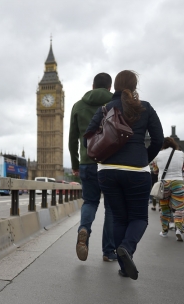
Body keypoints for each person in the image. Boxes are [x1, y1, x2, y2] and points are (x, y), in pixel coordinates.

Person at [85, 70, 164, 280]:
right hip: (137, 170)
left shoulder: (105, 108)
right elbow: (158, 139)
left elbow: (89, 136)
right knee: (138, 217)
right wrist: (143, 157)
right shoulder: (145, 107)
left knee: (119, 218)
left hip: (107, 171)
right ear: (135, 85)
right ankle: (127, 248)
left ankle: (123, 265)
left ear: (115, 87)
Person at [68, 73, 116, 262]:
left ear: (92, 85)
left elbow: (72, 139)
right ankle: (108, 252)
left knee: (90, 202)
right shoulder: (117, 104)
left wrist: (74, 164)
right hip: (112, 163)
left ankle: (84, 230)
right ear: (110, 88)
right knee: (111, 207)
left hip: (87, 161)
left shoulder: (78, 105)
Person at [151, 137, 184, 241]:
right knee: (180, 207)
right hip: (178, 182)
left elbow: (155, 170)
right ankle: (179, 229)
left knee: (164, 208)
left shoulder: (157, 155)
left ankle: (164, 231)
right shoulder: (181, 154)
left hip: (164, 183)